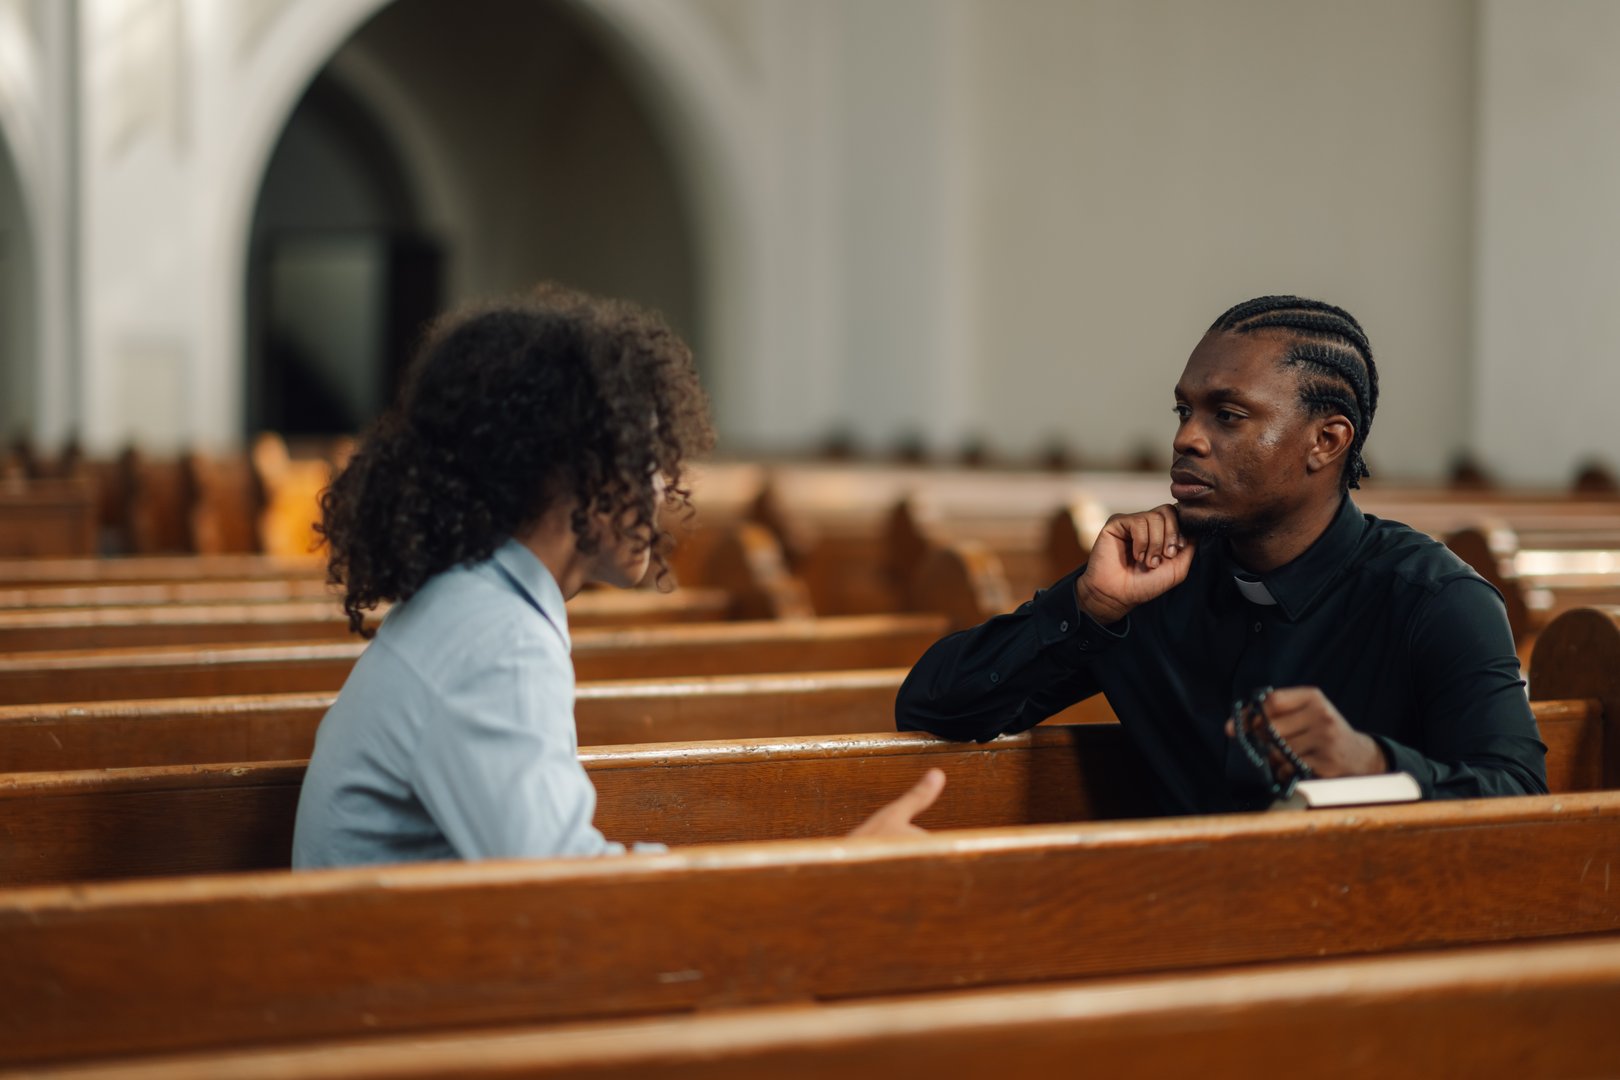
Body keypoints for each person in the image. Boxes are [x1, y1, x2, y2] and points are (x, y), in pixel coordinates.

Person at [294, 287, 943, 868]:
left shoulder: (472, 605)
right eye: (644, 455)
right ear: (567, 470)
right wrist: (837, 869)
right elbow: (574, 901)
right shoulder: (498, 642)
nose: (662, 488)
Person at [895, 295, 1546, 815]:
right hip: (1167, 935)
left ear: (1326, 440)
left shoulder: (1435, 599)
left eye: (1227, 415)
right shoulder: (1154, 577)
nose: (1185, 438)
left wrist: (1374, 767)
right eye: (1184, 410)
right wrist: (1089, 609)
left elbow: (1518, 796)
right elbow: (931, 708)